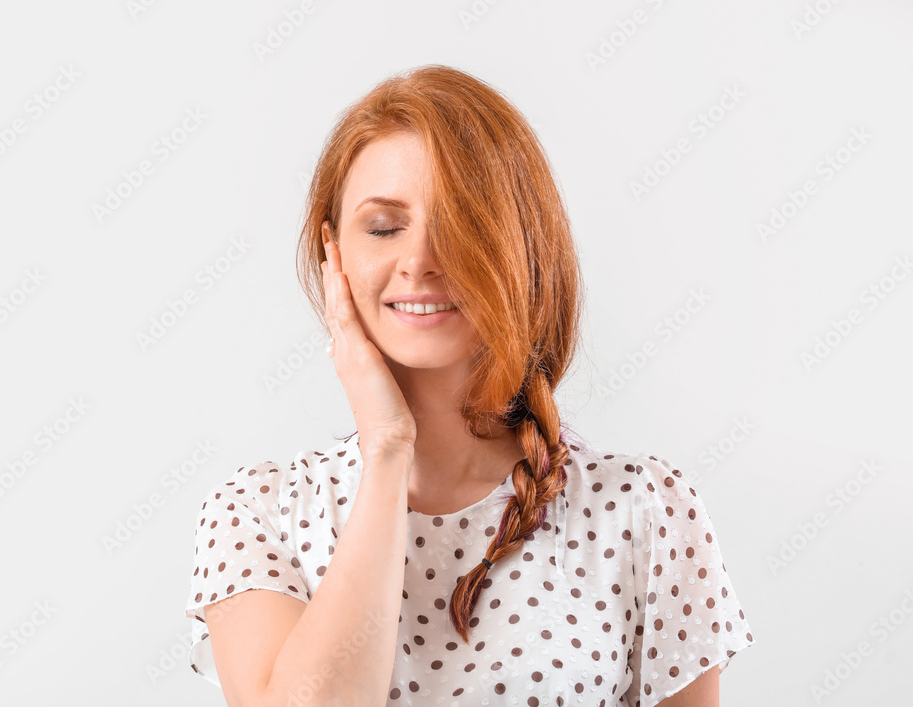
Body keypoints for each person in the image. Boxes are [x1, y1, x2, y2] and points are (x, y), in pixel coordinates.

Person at [184, 64, 755, 706]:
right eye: (383, 227)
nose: (421, 258)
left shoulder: (645, 509)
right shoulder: (260, 512)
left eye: (462, 224)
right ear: (332, 253)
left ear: (523, 248)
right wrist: (388, 447)